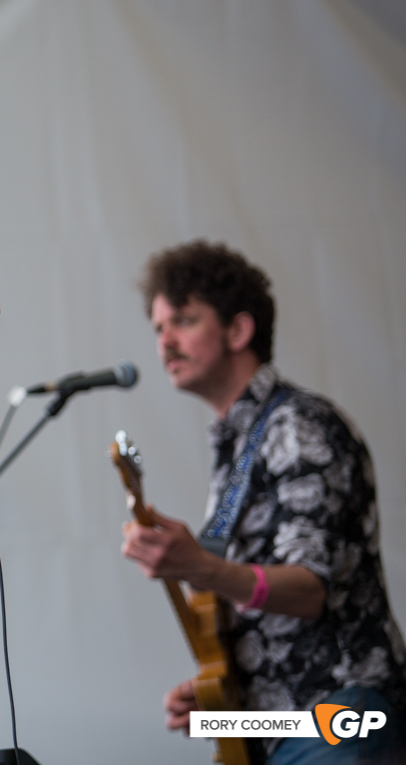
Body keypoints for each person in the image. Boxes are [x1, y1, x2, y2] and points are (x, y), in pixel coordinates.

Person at [123, 240, 406, 763]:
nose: (164, 342)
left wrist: (202, 568)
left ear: (238, 330)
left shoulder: (297, 427)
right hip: (293, 724)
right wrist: (223, 707)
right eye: (159, 328)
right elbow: (273, 626)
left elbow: (308, 591)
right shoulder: (241, 443)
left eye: (183, 321)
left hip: (344, 716)